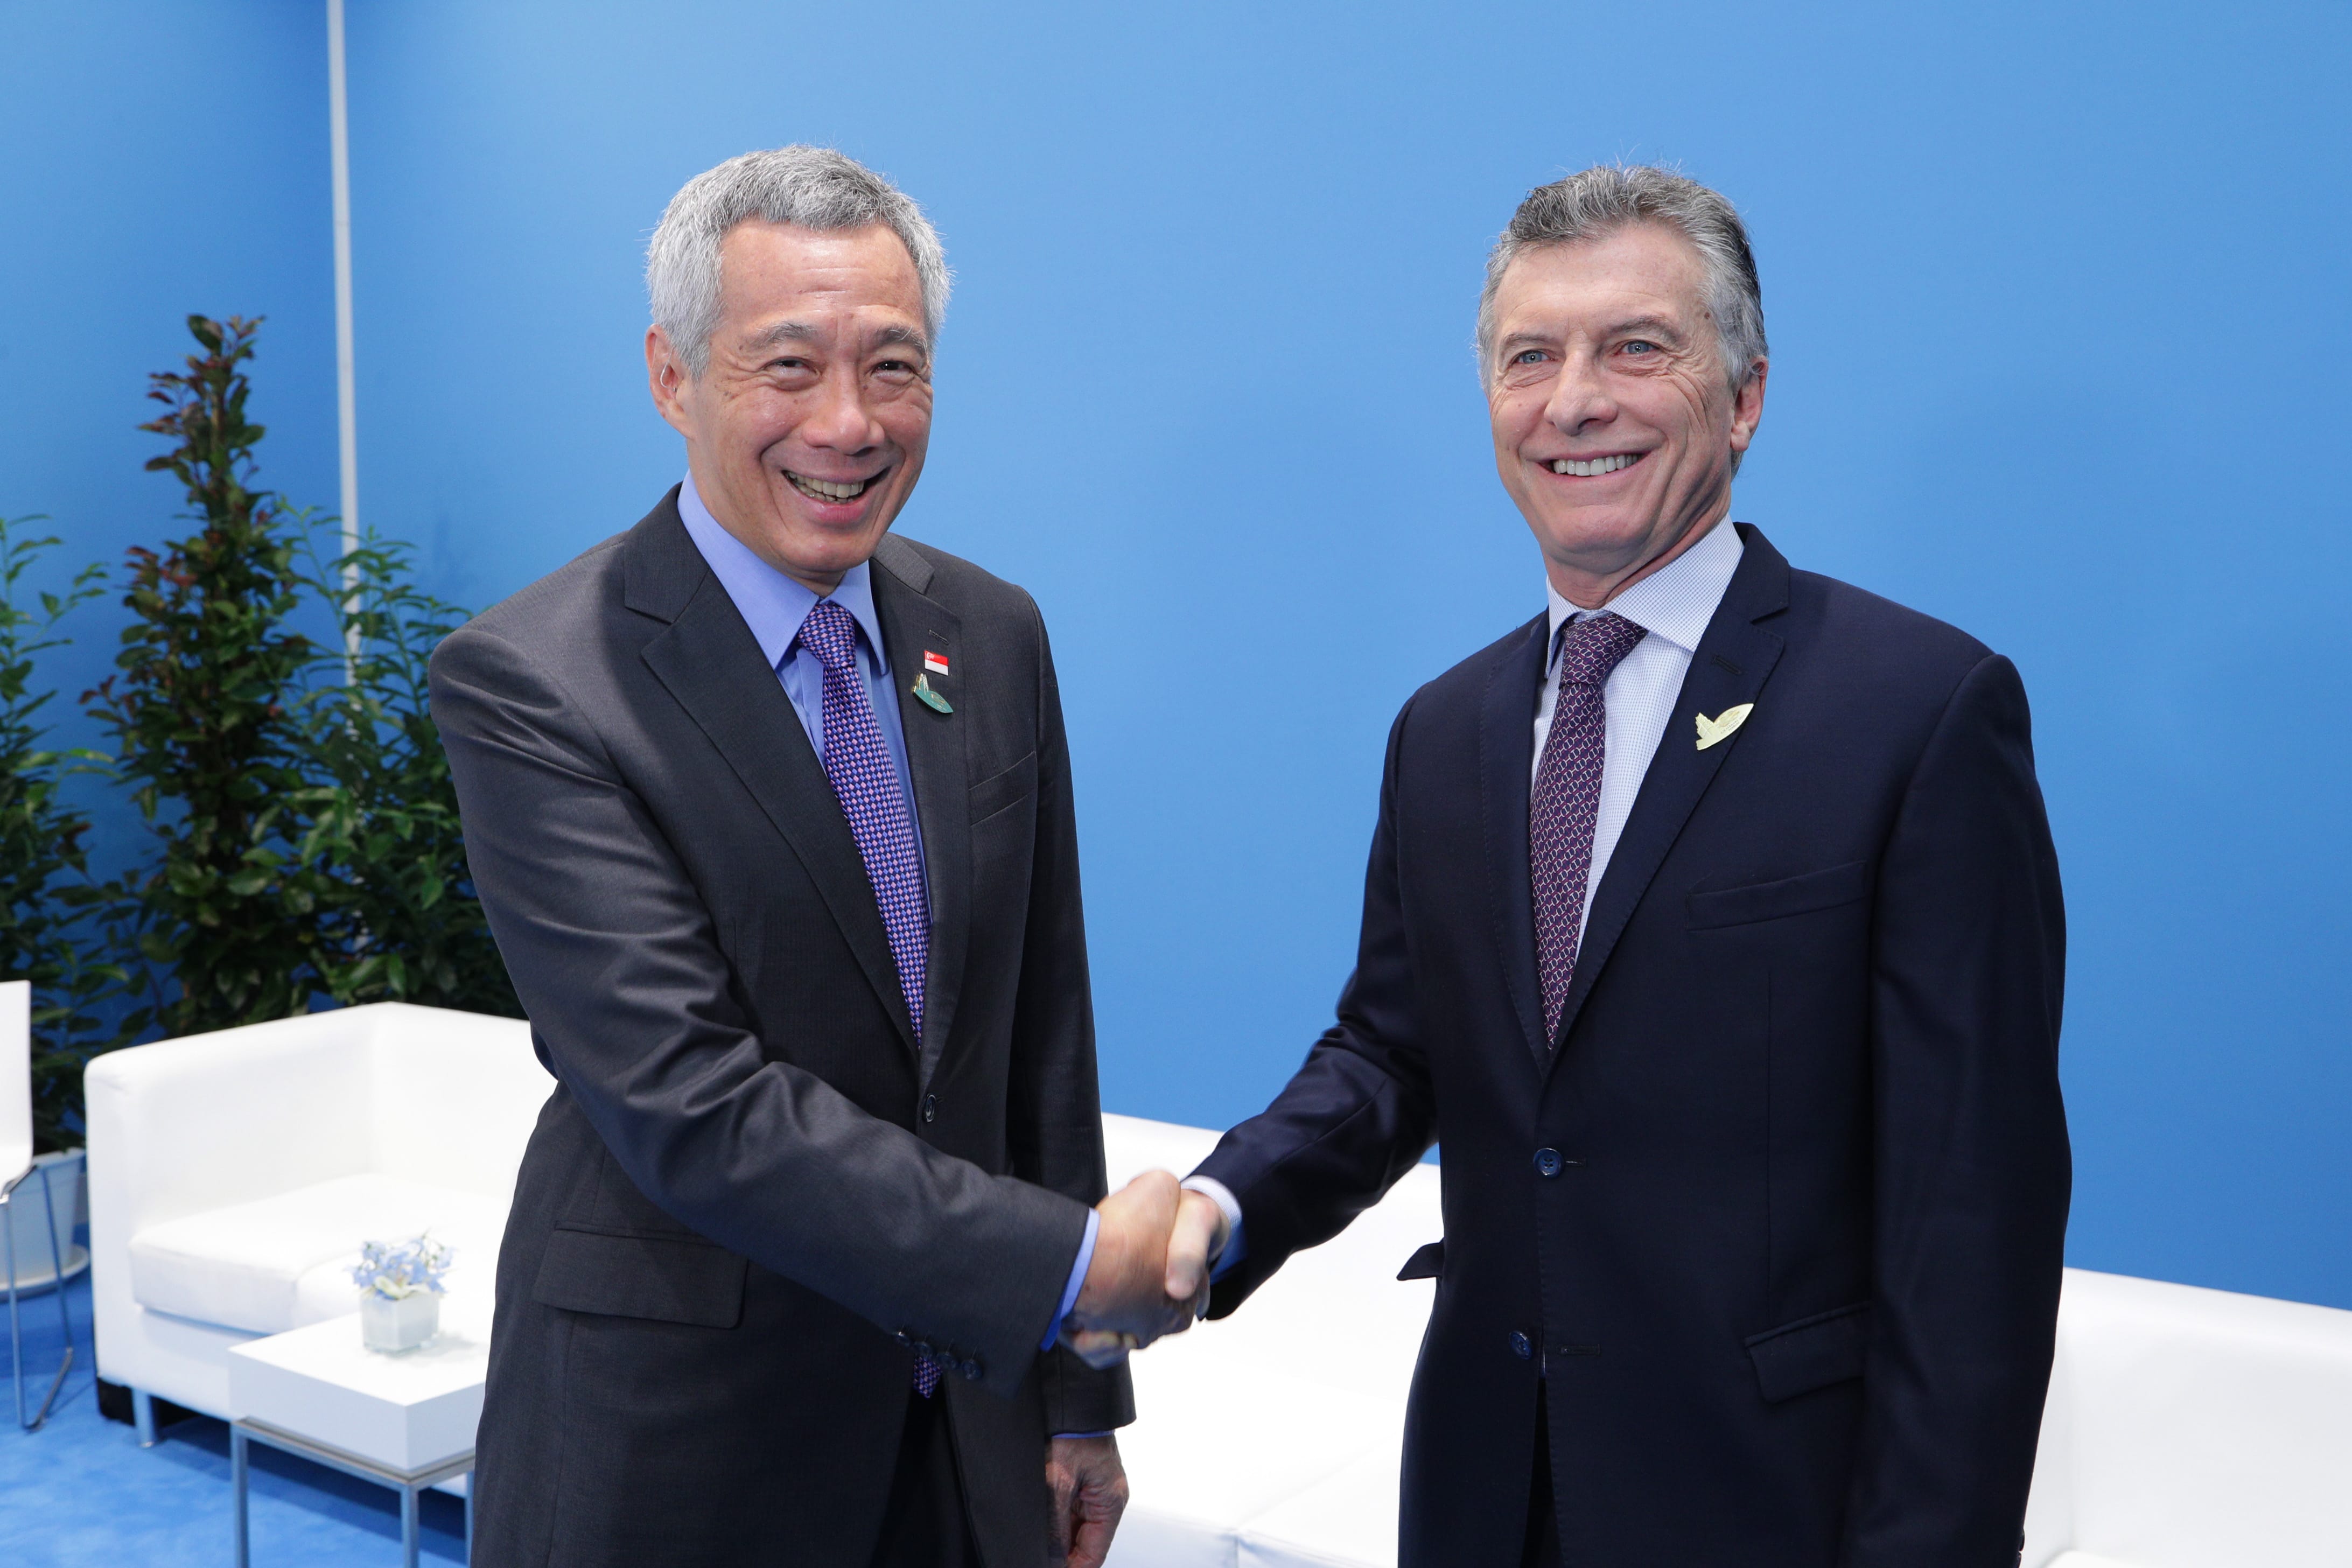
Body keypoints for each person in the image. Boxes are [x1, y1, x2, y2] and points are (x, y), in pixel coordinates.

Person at [1155, 166, 2071, 1566]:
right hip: (1483, 1495)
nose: (1575, 399)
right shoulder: (1445, 729)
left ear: (1746, 394)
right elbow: (1396, 1054)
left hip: (1774, 1508)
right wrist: (1212, 1214)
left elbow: (1974, 1219)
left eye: (1636, 347)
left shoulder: (1919, 711)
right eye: (1532, 357)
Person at [431, 146, 1187, 1568]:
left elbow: (1040, 1034)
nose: (848, 423)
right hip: (680, 1435)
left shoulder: (992, 629)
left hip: (966, 1426)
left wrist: (1081, 1390)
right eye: (789, 366)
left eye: (892, 369)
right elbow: (688, 1099)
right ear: (673, 377)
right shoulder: (535, 680)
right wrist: (1072, 1270)